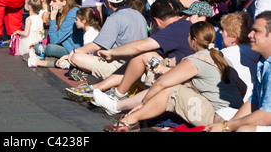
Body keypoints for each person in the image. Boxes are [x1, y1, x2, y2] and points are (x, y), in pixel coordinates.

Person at [104, 21, 243, 132]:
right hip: (234, 114)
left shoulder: (197, 59)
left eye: (188, 37)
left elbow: (161, 83)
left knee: (172, 90)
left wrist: (143, 103)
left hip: (216, 118)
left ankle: (129, 121)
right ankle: (129, 114)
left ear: (194, 40)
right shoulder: (221, 57)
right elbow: (242, 87)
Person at [88, 0, 194, 111]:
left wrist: (111, 52)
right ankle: (106, 89)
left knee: (142, 54)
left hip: (177, 78)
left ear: (156, 21)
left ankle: (118, 95)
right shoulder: (185, 24)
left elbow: (138, 47)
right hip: (180, 72)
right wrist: (116, 56)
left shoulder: (173, 29)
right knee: (141, 56)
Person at [64, 0, 148, 99]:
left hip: (119, 64)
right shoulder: (139, 15)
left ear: (108, 2)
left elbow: (97, 45)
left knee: (76, 58)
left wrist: (75, 51)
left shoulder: (114, 18)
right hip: (139, 64)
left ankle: (99, 79)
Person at [206, 11, 271, 132]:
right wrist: (228, 125)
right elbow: (254, 102)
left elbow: (267, 115)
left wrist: (227, 127)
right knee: (223, 113)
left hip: (267, 117)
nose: (250, 35)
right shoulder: (263, 62)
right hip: (264, 115)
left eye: (256, 31)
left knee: (244, 130)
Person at [28, 0, 83, 68]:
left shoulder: (72, 14)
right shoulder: (63, 12)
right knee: (38, 47)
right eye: (51, 1)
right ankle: (62, 61)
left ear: (64, 2)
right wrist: (41, 42)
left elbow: (54, 41)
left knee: (50, 48)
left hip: (73, 48)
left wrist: (53, 18)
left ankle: (64, 62)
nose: (50, 4)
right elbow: (55, 35)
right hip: (64, 44)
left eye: (54, 1)